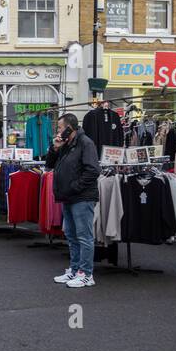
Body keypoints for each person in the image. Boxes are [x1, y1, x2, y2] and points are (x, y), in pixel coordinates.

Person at [45, 112, 100, 288]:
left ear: (70, 127)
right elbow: (49, 164)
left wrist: (74, 187)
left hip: (82, 197)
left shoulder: (85, 143)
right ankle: (75, 270)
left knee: (84, 236)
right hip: (68, 197)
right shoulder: (66, 144)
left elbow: (93, 170)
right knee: (71, 234)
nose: (58, 131)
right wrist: (54, 148)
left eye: (60, 127)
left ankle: (86, 274)